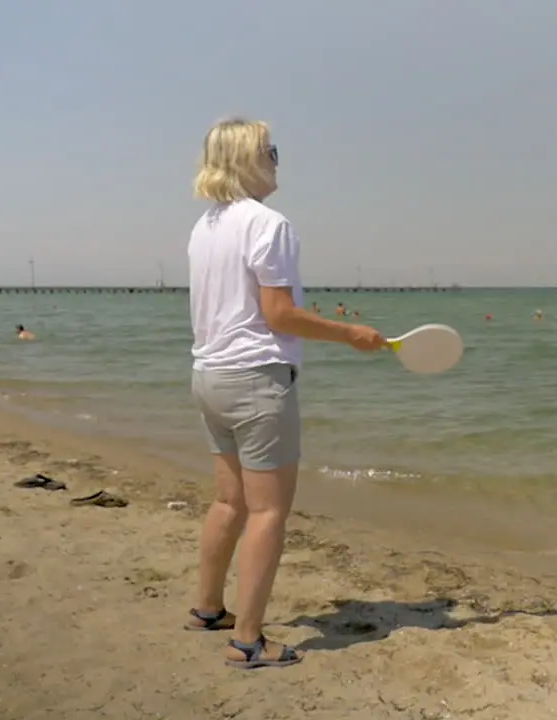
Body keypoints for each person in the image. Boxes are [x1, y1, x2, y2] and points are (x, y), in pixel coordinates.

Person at [186, 117, 387, 669]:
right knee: (268, 512)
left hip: (209, 376)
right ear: (247, 158)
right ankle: (248, 640)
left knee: (229, 500)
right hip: (256, 380)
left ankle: (208, 608)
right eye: (270, 150)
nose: (277, 159)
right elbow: (278, 314)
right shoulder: (267, 224)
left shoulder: (206, 226)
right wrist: (352, 333)